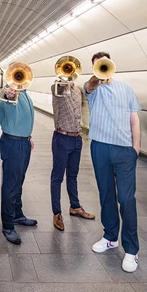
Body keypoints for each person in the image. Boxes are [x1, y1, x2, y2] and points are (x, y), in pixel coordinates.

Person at [84, 51, 142, 273]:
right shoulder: (92, 89)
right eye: (98, 65)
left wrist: (135, 147)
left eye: (105, 64)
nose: (102, 68)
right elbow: (89, 86)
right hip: (100, 146)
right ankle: (110, 237)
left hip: (124, 149)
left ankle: (132, 249)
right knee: (106, 193)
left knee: (127, 199)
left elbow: (134, 118)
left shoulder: (126, 88)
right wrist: (97, 76)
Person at [49, 79, 95, 231]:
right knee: (57, 177)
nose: (69, 78)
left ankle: (75, 207)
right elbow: (56, 89)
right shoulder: (58, 88)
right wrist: (62, 83)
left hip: (77, 138)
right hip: (62, 138)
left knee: (73, 175)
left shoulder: (78, 90)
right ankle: (57, 213)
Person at [0, 85, 37, 244]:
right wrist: (10, 94)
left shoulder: (25, 93)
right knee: (11, 185)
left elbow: (23, 117)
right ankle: (7, 225)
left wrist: (28, 136)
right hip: (13, 143)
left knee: (19, 182)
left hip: (24, 142)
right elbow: (8, 99)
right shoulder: (9, 92)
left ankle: (17, 214)